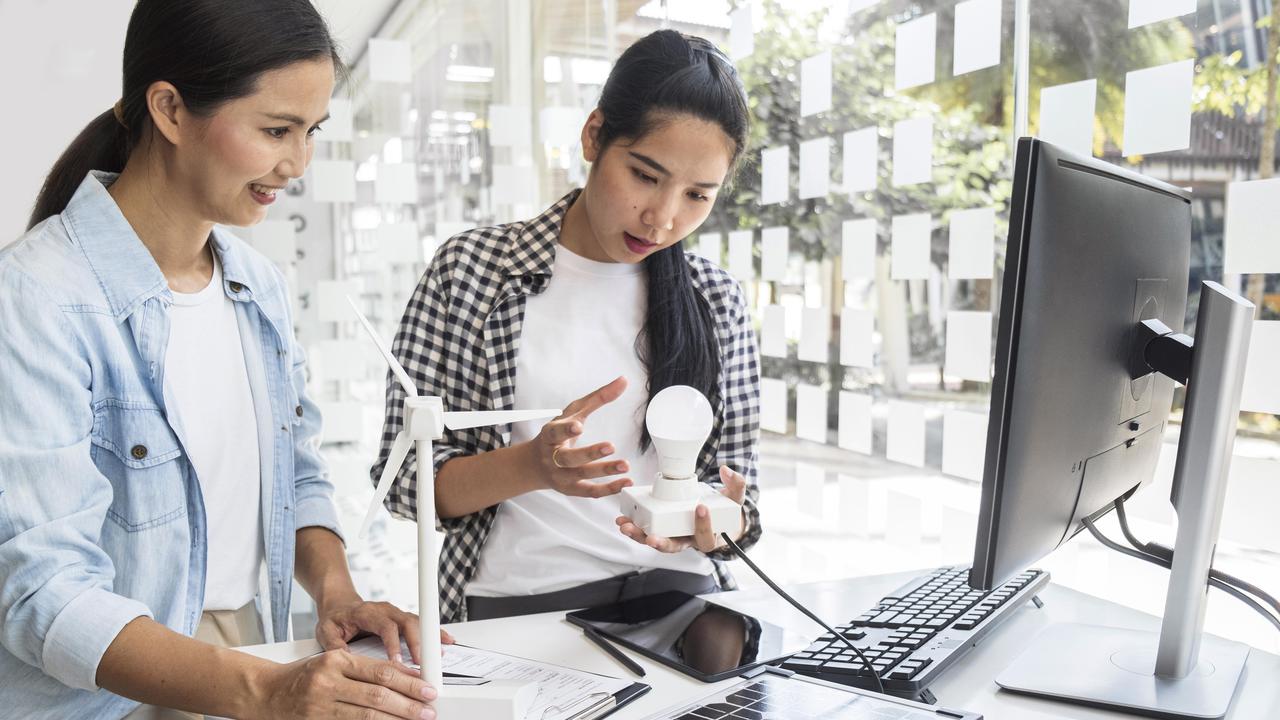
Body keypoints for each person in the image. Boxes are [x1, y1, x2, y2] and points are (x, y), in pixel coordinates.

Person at [0, 1, 446, 718]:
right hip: (101, 694)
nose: (297, 163)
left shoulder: (255, 286)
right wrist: (264, 690)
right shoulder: (35, 299)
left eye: (311, 133)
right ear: (171, 110)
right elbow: (44, 594)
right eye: (276, 130)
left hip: (247, 653)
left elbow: (294, 469)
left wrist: (338, 593)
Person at [371, 29, 762, 624]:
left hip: (686, 607)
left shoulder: (715, 299)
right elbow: (401, 481)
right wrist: (531, 467)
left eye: (697, 195)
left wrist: (717, 525)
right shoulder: (471, 272)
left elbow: (742, 501)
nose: (662, 218)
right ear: (593, 135)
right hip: (519, 609)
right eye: (645, 176)